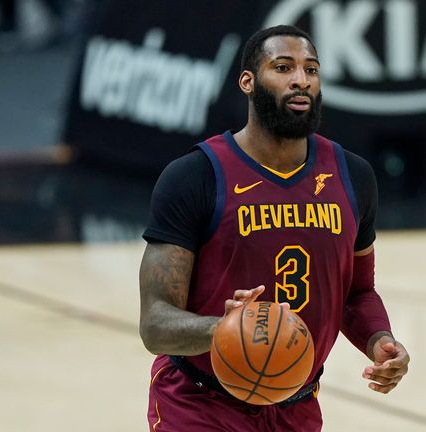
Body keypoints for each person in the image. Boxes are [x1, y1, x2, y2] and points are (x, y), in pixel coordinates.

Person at [138, 24, 410, 431]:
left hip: (295, 406)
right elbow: (156, 323)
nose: (300, 80)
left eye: (311, 70)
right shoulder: (196, 176)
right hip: (199, 403)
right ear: (248, 82)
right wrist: (226, 330)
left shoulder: (352, 176)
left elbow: (358, 292)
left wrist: (379, 341)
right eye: (283, 68)